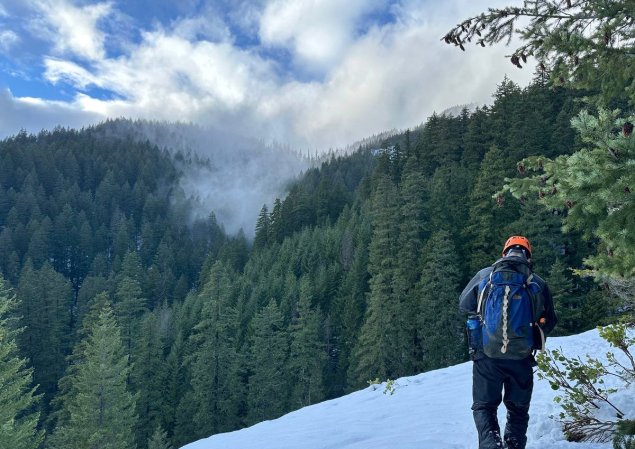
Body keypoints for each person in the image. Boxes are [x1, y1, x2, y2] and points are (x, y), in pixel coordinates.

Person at [459, 236, 557, 449]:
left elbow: (464, 304)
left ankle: (491, 444)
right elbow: (550, 320)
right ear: (528, 256)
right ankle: (513, 445)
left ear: (504, 253)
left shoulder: (485, 275)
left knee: (484, 406)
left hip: (487, 355)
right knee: (518, 410)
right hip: (521, 358)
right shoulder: (536, 283)